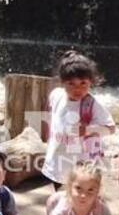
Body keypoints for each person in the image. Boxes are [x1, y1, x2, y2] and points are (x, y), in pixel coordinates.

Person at [42, 50, 115, 190]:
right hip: (57, 162)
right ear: (62, 82)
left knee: (77, 202)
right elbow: (50, 112)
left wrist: (88, 130)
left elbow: (111, 128)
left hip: (80, 167)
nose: (78, 89)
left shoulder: (92, 104)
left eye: (83, 83)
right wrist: (47, 135)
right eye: (71, 83)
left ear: (91, 82)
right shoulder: (56, 95)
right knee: (60, 199)